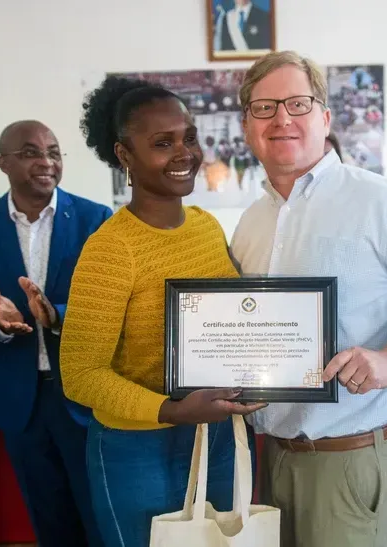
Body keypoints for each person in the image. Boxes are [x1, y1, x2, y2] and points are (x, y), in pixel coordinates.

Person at [229, 50, 387, 547]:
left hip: (350, 454)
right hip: (271, 455)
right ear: (247, 126)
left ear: (324, 117)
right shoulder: (252, 220)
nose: (281, 118)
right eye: (264, 107)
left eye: (297, 104)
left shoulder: (381, 202)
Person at [59, 76, 266, 547]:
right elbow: (80, 374)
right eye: (162, 143)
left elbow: (236, 325)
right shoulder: (111, 250)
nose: (184, 153)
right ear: (124, 155)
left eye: (189, 137)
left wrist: (269, 369)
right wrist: (170, 410)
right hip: (137, 447)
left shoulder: (206, 226)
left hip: (214, 435)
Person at [0, 120, 111, 547]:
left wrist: (55, 314)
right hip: (20, 402)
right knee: (48, 518)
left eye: (54, 151)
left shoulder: (96, 219)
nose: (46, 161)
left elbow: (113, 308)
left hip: (82, 394)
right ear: (3, 162)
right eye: (30, 152)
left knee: (99, 514)